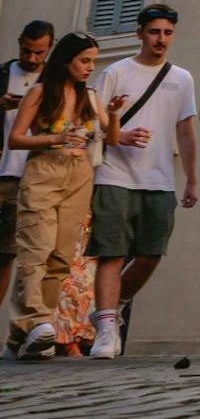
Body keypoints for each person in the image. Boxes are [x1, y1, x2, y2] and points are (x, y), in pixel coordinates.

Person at [87, 4, 199, 358]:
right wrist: (118, 137)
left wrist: (192, 179)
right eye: (154, 32)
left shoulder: (181, 78)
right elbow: (90, 123)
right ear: (139, 33)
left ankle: (112, 304)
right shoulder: (115, 73)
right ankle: (107, 329)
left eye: (167, 33)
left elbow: (185, 131)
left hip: (160, 179)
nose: (161, 39)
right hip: (114, 175)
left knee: (152, 254)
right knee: (112, 253)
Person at [4, 32, 114, 360]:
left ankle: (23, 337)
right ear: (66, 60)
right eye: (84, 61)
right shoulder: (40, 92)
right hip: (43, 173)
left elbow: (110, 134)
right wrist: (53, 138)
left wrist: (118, 115)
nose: (89, 67)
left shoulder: (90, 97)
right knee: (34, 251)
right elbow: (16, 139)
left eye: (93, 61)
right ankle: (36, 321)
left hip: (79, 176)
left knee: (61, 258)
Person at [0, 20, 55, 308]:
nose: (31, 58)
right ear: (19, 43)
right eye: (26, 51)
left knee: (7, 254)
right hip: (1, 170)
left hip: (30, 176)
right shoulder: (2, 73)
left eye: (39, 53)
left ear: (50, 49)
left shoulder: (55, 82)